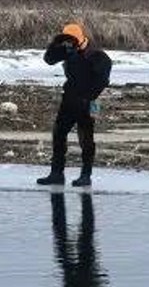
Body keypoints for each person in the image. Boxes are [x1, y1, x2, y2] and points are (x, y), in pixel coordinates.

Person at [36, 23, 112, 187]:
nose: (70, 44)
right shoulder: (67, 51)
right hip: (69, 98)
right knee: (59, 134)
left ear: (81, 38)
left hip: (91, 100)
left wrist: (89, 98)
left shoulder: (97, 55)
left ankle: (86, 175)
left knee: (86, 137)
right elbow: (48, 59)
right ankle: (56, 173)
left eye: (72, 40)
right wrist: (56, 44)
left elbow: (102, 80)